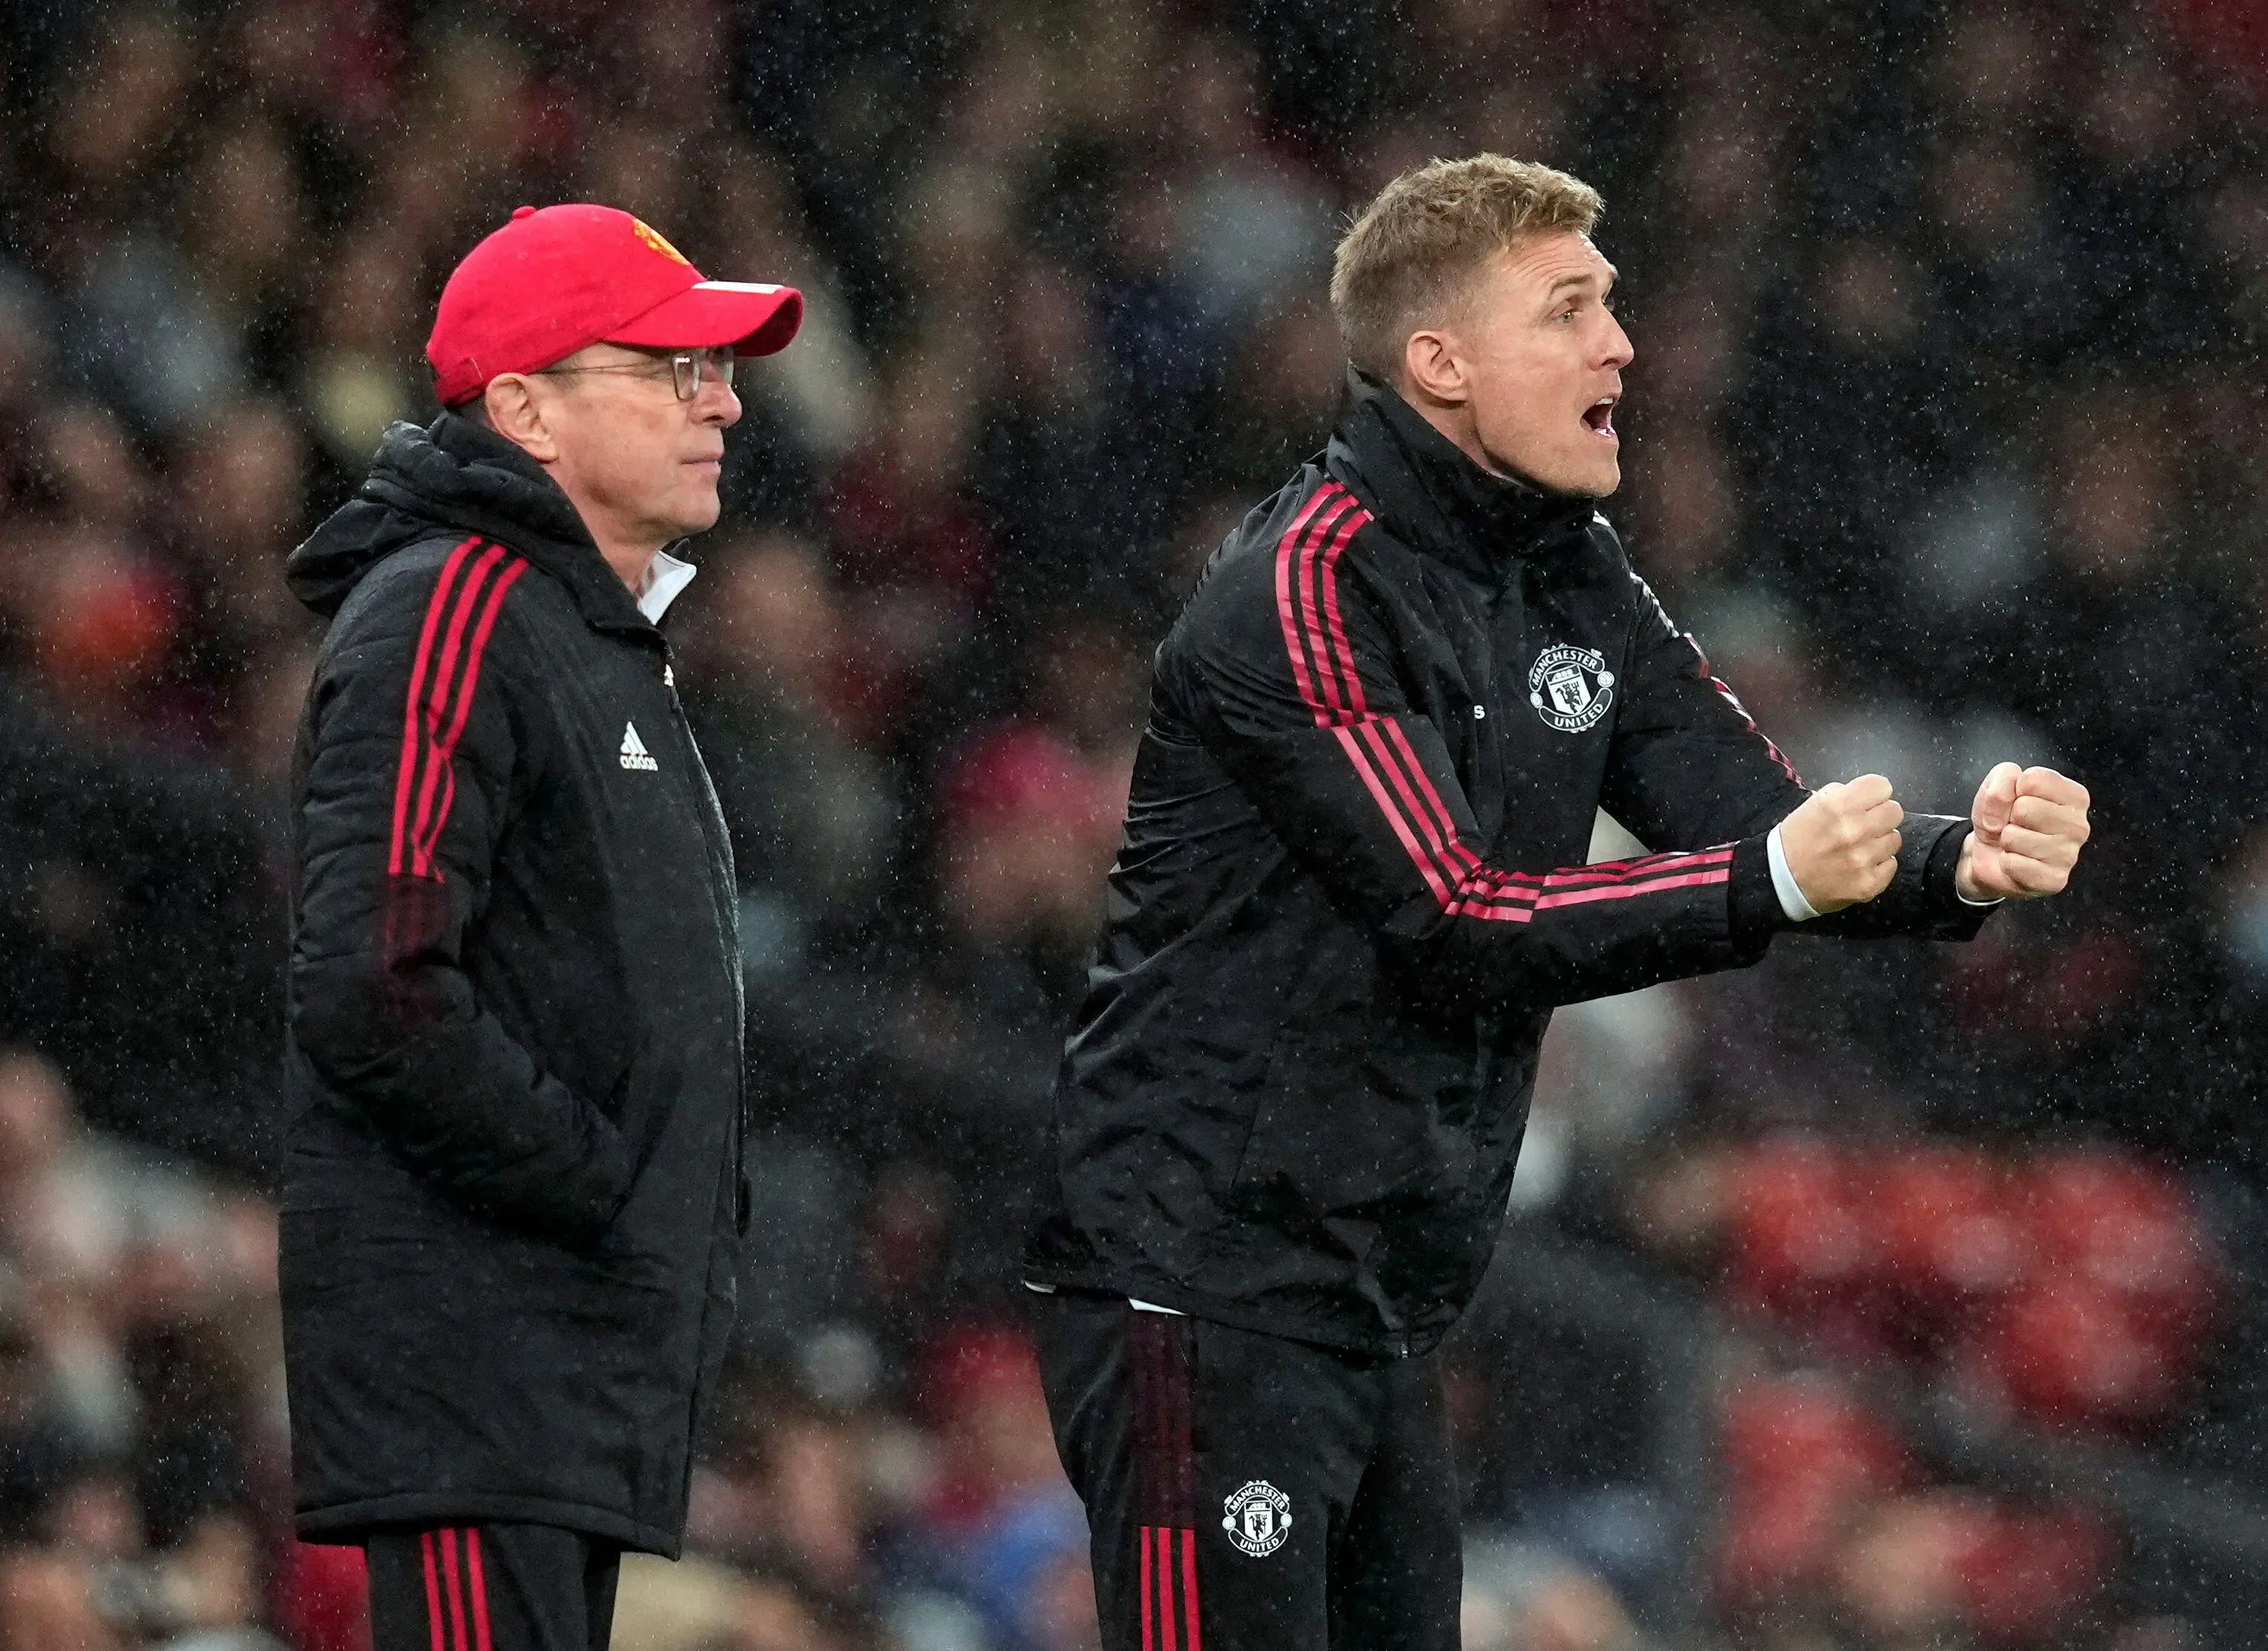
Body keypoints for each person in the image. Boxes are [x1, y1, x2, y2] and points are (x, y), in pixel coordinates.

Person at [1020, 156, 2093, 1650]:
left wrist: (1943, 859)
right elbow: (1456, 916)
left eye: (1614, 306)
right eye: (1571, 309)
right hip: (1204, 1286)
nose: (1622, 346)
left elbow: (1744, 811)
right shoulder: (1302, 587)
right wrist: (1774, 879)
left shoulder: (1567, 571)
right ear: (1441, 363)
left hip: (1376, 1299)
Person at [278, 203, 801, 1651]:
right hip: (479, 1361)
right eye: (671, 368)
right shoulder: (450, 603)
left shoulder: (581, 631)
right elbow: (374, 984)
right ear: (524, 408)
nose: (727, 401)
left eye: (719, 369)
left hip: (557, 1372)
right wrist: (601, 1181)